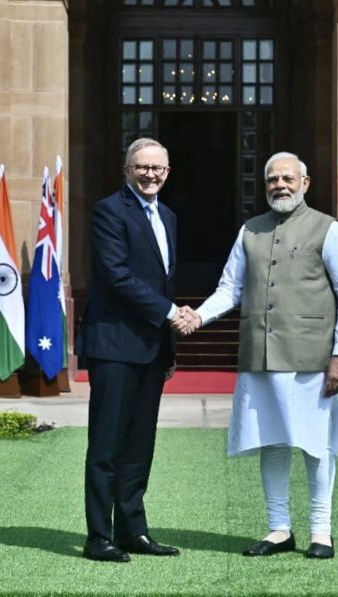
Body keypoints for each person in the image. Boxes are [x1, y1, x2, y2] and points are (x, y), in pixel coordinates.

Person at [178, 152, 338, 560]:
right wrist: (198, 317)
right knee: (271, 443)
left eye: (287, 178)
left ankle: (321, 531)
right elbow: (230, 288)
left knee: (316, 446)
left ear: (305, 183)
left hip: (312, 359)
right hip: (260, 357)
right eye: (272, 180)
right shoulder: (250, 231)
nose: (280, 185)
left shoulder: (327, 229)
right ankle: (279, 528)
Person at [75, 137, 192, 563]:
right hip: (114, 346)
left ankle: (132, 531)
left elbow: (163, 279)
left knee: (140, 445)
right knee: (106, 446)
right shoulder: (109, 210)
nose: (150, 175)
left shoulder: (169, 216)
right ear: (127, 169)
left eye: (157, 168)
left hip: (152, 348)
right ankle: (98, 537)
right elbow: (116, 276)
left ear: (167, 172)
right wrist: (169, 313)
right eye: (142, 167)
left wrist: (169, 341)